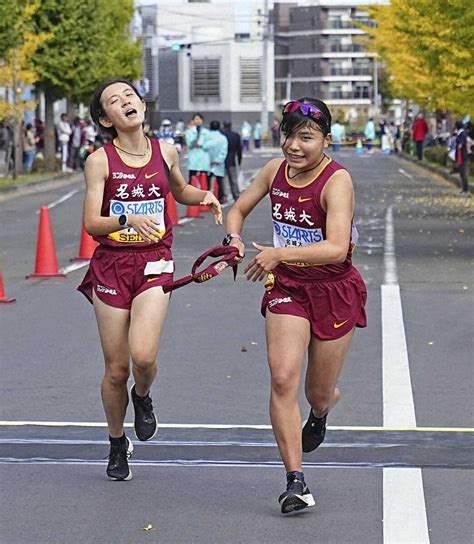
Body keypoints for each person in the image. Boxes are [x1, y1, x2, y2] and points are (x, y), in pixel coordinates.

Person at [224, 97, 367, 514]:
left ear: (326, 139)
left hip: (333, 288)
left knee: (316, 392)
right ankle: (295, 481)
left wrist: (280, 253)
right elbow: (239, 208)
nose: (294, 146)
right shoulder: (274, 171)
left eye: (306, 137)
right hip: (287, 287)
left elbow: (338, 248)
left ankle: (321, 411)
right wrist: (233, 239)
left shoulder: (337, 181)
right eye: (288, 135)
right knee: (283, 378)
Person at [78, 78, 222, 481]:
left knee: (142, 357)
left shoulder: (166, 151)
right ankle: (116, 441)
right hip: (111, 264)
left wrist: (204, 197)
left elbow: (179, 191)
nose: (126, 101)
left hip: (155, 261)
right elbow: (92, 222)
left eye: (129, 95)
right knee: (115, 369)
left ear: (141, 105)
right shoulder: (100, 161)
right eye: (114, 101)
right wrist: (126, 218)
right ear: (106, 119)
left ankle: (142, 398)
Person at [185, 113, 211, 186]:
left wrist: (201, 145)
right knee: (192, 176)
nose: (198, 121)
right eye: (196, 119)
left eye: (199, 119)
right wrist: (194, 141)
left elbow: (209, 144)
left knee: (205, 177)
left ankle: (206, 192)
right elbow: (189, 143)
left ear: (202, 120)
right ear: (193, 121)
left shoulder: (206, 132)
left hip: (203, 156)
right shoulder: (189, 132)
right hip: (194, 156)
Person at [206, 120, 228, 203]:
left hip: (208, 162)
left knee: (207, 181)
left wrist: (209, 160)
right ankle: (221, 197)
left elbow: (204, 149)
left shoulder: (206, 137)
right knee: (220, 181)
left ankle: (206, 198)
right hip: (219, 163)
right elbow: (224, 151)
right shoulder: (223, 138)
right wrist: (218, 160)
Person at [222, 121, 242, 201]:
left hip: (222, 160)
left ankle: (224, 196)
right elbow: (239, 150)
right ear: (231, 125)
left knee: (223, 180)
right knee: (233, 180)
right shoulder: (236, 135)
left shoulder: (222, 135)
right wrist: (239, 160)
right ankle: (236, 195)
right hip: (232, 160)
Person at [454, 120, 470, 196]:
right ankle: (464, 189)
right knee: (462, 174)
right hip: (461, 156)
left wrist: (460, 145)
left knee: (463, 174)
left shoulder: (462, 134)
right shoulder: (461, 133)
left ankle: (465, 190)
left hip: (463, 157)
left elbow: (461, 144)